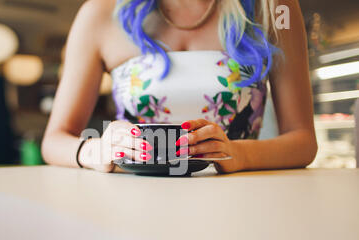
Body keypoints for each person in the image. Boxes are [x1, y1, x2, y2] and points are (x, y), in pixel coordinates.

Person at [42, 0, 317, 173]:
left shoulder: (273, 8)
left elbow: (303, 141)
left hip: (237, 202)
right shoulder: (99, 13)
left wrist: (238, 153)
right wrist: (97, 150)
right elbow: (54, 139)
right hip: (131, 202)